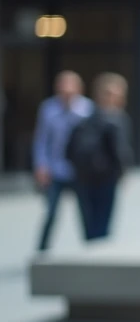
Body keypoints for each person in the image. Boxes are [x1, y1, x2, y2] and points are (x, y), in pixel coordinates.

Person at [31, 71, 93, 253]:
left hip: (79, 171)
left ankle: (91, 248)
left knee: (85, 212)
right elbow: (41, 140)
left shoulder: (87, 110)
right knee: (51, 213)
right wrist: (41, 165)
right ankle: (42, 250)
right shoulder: (48, 109)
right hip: (55, 169)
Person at [68, 74, 134, 240]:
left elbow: (68, 150)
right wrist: (123, 171)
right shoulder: (116, 119)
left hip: (84, 177)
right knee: (103, 223)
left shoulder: (84, 117)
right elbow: (120, 150)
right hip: (105, 176)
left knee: (90, 223)